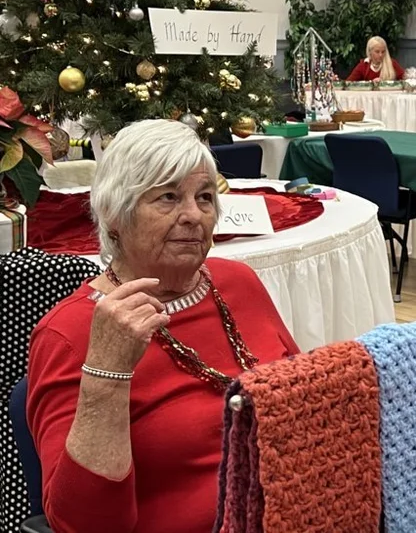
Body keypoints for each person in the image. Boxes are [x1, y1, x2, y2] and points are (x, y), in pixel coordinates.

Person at [27, 119, 299, 533]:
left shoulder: (238, 282)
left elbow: (301, 400)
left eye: (204, 197)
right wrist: (107, 373)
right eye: (168, 197)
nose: (193, 215)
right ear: (114, 215)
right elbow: (83, 524)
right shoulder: (70, 332)